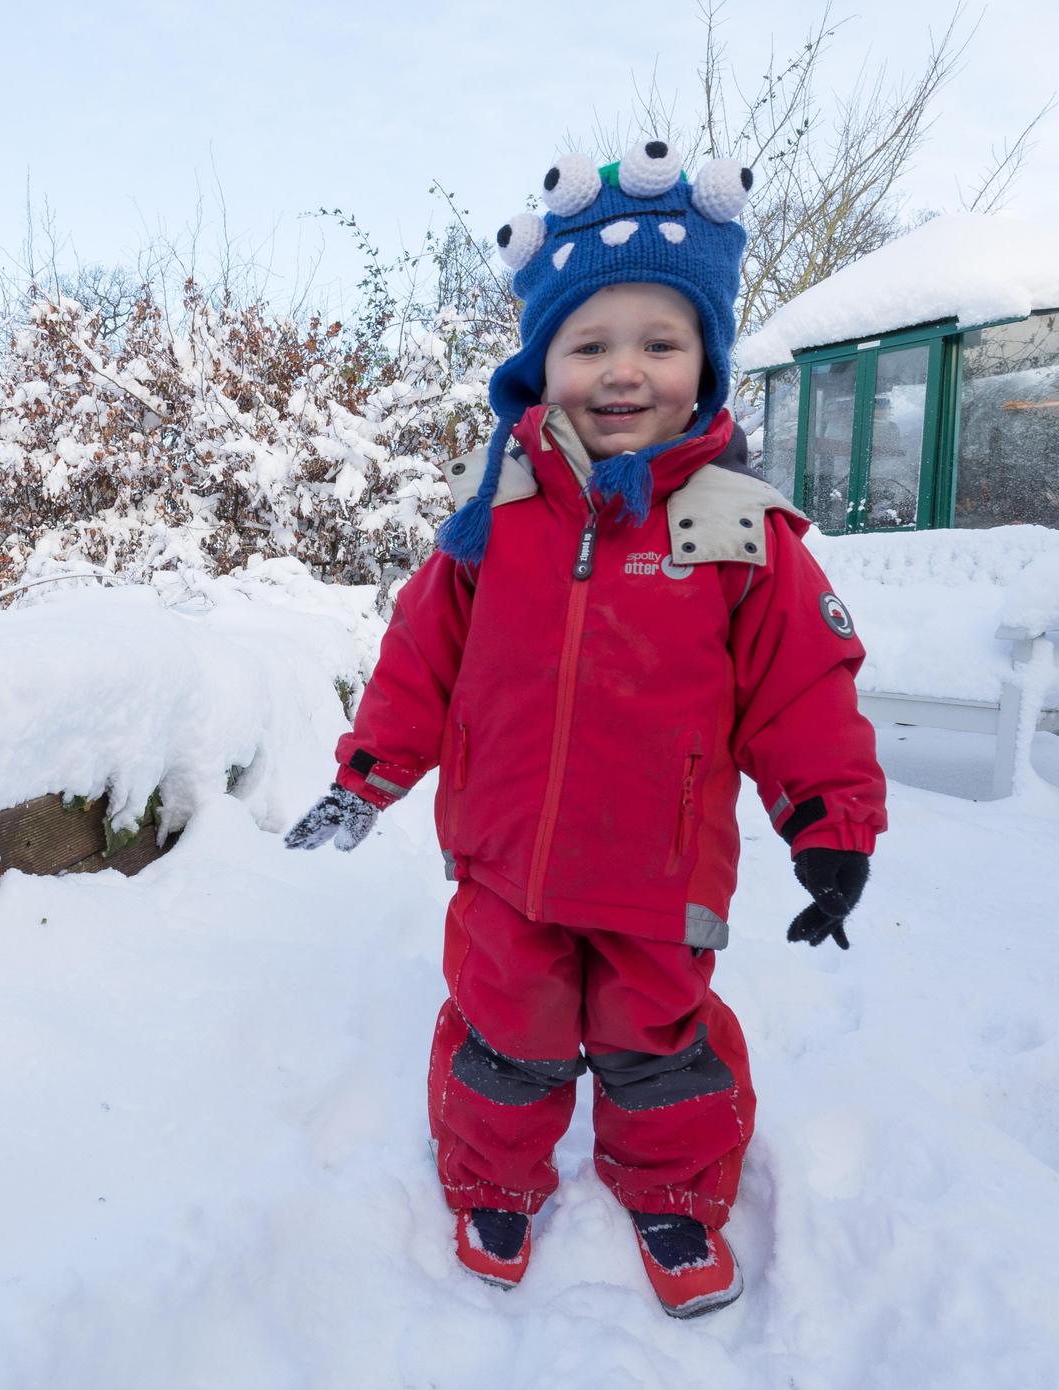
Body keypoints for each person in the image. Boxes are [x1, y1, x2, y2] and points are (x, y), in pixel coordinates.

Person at [285, 142, 887, 1319]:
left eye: (659, 344)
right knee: (503, 1032)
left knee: (658, 1044)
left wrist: (827, 822)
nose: (623, 373)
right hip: (505, 862)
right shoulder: (494, 516)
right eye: (588, 345)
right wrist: (365, 777)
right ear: (540, 364)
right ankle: (492, 1179)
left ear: (703, 363)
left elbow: (803, 687)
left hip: (661, 876)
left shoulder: (737, 528)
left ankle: (670, 1189)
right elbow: (420, 658)